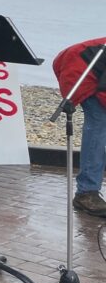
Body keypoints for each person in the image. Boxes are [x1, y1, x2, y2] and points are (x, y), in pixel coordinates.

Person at [53, 37, 106, 218]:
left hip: (91, 69)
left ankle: (87, 190)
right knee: (98, 124)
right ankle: (86, 193)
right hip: (80, 72)